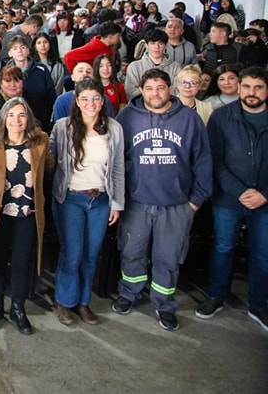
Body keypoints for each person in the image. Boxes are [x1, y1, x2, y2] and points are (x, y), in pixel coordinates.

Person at [112, 69, 212, 332]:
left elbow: (203, 161)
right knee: (132, 252)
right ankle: (129, 293)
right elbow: (117, 161)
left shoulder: (189, 119)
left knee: (168, 257)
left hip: (177, 204)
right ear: (141, 90)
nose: (155, 93)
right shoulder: (126, 117)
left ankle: (164, 303)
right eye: (149, 88)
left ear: (170, 89)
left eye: (160, 87)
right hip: (137, 202)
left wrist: (195, 201)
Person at [196, 66, 268, 331]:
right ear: (239, 87)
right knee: (223, 248)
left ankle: (259, 304)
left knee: (263, 253)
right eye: (247, 86)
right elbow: (214, 159)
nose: (252, 92)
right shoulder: (222, 117)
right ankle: (216, 296)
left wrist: (263, 194)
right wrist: (239, 191)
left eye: (258, 87)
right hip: (228, 198)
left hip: (264, 201)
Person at [49, 78, 125, 326]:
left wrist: (117, 203)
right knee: (72, 253)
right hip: (70, 198)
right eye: (85, 98)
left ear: (102, 101)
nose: (90, 103)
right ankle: (64, 301)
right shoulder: (63, 127)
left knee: (92, 254)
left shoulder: (114, 128)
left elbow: (117, 168)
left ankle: (83, 302)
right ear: (77, 101)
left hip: (100, 200)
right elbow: (49, 159)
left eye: (95, 98)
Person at [0, 96, 52, 335]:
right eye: (11, 115)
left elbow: (49, 171)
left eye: (21, 115)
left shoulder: (40, 142)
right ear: (3, 118)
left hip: (27, 215)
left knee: (22, 263)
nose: (16, 120)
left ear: (28, 118)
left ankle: (18, 308)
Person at [124, 29, 183, 100]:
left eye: (160, 43)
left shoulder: (175, 67)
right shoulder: (134, 67)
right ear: (146, 45)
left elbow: (178, 90)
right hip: (141, 108)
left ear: (166, 46)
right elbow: (131, 92)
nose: (157, 47)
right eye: (152, 43)